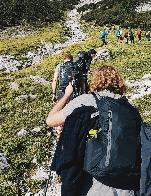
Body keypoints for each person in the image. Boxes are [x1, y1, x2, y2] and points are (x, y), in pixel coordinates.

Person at [46, 66, 140, 196]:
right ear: (119, 82)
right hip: (128, 185)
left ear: (95, 81)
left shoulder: (87, 100)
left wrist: (67, 94)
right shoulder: (129, 106)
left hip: (94, 184)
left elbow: (50, 120)